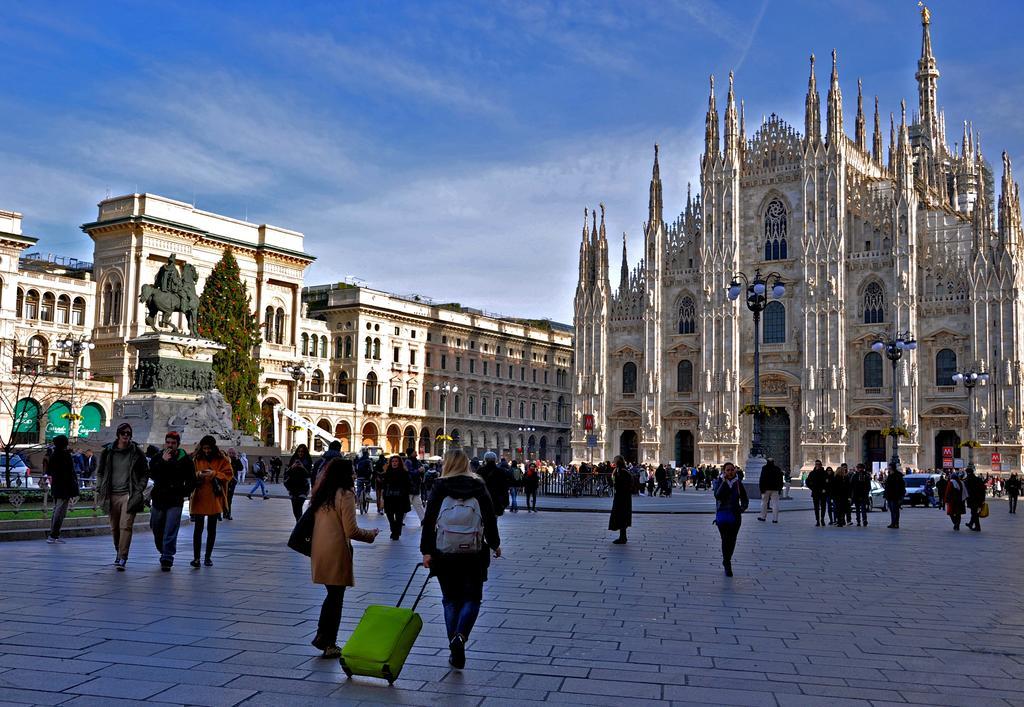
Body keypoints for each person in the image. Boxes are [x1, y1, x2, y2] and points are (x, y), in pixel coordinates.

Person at [420, 450, 500, 670]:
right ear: (467, 464)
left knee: (450, 600)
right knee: (472, 599)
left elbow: (429, 521)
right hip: (474, 553)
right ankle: (461, 637)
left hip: (444, 552)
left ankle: (453, 645)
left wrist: (426, 551)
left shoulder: (439, 486)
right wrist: (494, 543)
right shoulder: (478, 485)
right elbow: (490, 517)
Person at [310, 458, 379, 658]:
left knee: (332, 595)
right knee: (336, 598)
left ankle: (322, 637)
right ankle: (328, 642)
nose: (355, 473)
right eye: (352, 471)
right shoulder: (345, 494)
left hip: (319, 549)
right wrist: (371, 534)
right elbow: (352, 530)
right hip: (336, 550)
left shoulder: (322, 493)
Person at [95, 423, 150, 570]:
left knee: (126, 526)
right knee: (115, 528)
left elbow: (145, 473)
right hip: (111, 494)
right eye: (123, 433)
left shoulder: (137, 452)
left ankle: (122, 557)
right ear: (118, 435)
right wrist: (100, 486)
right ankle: (118, 552)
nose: (126, 436)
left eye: (128, 434)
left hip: (129, 494)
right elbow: (100, 472)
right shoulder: (108, 451)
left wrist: (139, 489)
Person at [148, 431, 196, 570]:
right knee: (156, 527)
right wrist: (163, 461)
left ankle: (167, 557)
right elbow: (153, 473)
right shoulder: (158, 457)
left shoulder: (185, 459)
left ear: (178, 444)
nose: (170, 445)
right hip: (159, 498)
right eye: (168, 442)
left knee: (170, 528)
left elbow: (191, 479)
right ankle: (163, 549)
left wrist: (184, 492)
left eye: (173, 443)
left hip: (175, 499)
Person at [190, 435, 234, 567]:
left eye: (209, 448)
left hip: (214, 497)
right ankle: (196, 558)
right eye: (204, 448)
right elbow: (190, 474)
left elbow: (229, 474)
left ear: (213, 448)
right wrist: (198, 474)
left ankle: (208, 557)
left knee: (211, 529)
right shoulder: (197, 458)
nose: (207, 451)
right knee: (198, 529)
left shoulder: (222, 459)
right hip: (199, 495)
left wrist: (214, 473)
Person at [713, 461, 749, 577]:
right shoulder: (719, 481)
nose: (730, 472)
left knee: (732, 540)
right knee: (725, 539)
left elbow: (744, 498)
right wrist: (724, 483)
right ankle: (727, 562)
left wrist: (742, 508)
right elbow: (717, 496)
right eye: (728, 470)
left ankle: (727, 559)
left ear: (735, 470)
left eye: (732, 469)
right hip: (723, 515)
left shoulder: (738, 483)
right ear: (724, 471)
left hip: (735, 515)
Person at [46, 435, 78, 544]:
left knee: (58, 509)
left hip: (58, 486)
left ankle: (54, 534)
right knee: (60, 511)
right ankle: (54, 534)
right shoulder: (64, 455)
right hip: (64, 487)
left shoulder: (55, 455)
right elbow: (70, 472)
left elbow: (49, 470)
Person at [382, 455, 412, 540]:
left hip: (400, 498)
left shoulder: (404, 473)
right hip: (389, 498)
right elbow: (384, 485)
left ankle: (396, 533)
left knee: (399, 518)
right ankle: (393, 530)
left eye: (396, 461)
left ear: (399, 463)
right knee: (390, 517)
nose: (394, 463)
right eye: (393, 461)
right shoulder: (387, 472)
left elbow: (408, 485)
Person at [284, 444, 313, 521]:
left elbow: (309, 475)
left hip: (303, 487)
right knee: (295, 509)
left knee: (299, 506)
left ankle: (299, 526)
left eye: (302, 452)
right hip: (293, 488)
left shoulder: (308, 460)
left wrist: (303, 467)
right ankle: (299, 523)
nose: (300, 453)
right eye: (299, 451)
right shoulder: (293, 459)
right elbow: (287, 473)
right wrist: (292, 467)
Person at [608, 455, 632, 544]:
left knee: (622, 516)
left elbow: (626, 484)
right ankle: (622, 536)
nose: (613, 461)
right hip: (620, 497)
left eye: (615, 460)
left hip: (623, 498)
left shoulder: (623, 472)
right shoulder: (619, 470)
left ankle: (623, 537)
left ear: (619, 461)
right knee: (620, 516)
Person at [478, 452, 509, 517]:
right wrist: (505, 502)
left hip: (483, 500)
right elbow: (504, 487)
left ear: (485, 460)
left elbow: (477, 486)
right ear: (495, 460)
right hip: (496, 500)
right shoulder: (501, 471)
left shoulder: (480, 471)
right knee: (494, 520)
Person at [757, 457, 783, 524]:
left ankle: (763, 517)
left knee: (764, 503)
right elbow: (780, 480)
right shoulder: (777, 469)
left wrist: (761, 489)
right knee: (775, 503)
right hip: (775, 489)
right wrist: (780, 488)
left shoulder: (764, 468)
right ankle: (775, 519)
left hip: (766, 489)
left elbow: (762, 479)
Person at [883, 463, 906, 529]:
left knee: (895, 510)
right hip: (889, 495)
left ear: (892, 467)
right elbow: (887, 486)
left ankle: (896, 523)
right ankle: (893, 523)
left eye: (889, 467)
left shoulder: (898, 475)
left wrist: (901, 495)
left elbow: (901, 486)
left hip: (896, 495)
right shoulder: (889, 475)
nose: (888, 468)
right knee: (892, 510)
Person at [805, 460, 827, 527]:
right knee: (816, 507)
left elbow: (827, 483)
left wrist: (825, 489)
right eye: (816, 464)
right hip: (815, 492)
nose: (817, 465)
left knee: (823, 507)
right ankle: (817, 520)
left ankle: (822, 519)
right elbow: (807, 481)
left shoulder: (824, 473)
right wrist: (812, 488)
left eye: (818, 464)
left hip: (823, 492)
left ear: (821, 465)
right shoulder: (812, 473)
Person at [965, 467, 986, 532]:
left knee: (974, 513)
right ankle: (971, 524)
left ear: (967, 473)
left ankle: (977, 527)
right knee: (974, 512)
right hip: (979, 498)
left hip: (972, 499)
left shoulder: (968, 480)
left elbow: (966, 490)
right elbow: (983, 489)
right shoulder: (978, 479)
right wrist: (983, 498)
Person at [406, 454, 425, 523]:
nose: (416, 454)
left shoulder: (416, 462)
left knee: (418, 504)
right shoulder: (408, 462)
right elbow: (409, 473)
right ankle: (399, 520)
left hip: (415, 487)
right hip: (410, 487)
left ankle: (423, 520)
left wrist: (421, 470)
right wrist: (418, 471)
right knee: (406, 505)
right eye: (414, 452)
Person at [224, 448, 241, 520]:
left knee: (229, 498)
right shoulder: (224, 460)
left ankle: (228, 513)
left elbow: (241, 468)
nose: (231, 454)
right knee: (223, 498)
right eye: (230, 453)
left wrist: (237, 460)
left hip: (232, 482)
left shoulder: (236, 460)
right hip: (224, 481)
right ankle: (223, 513)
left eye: (232, 453)